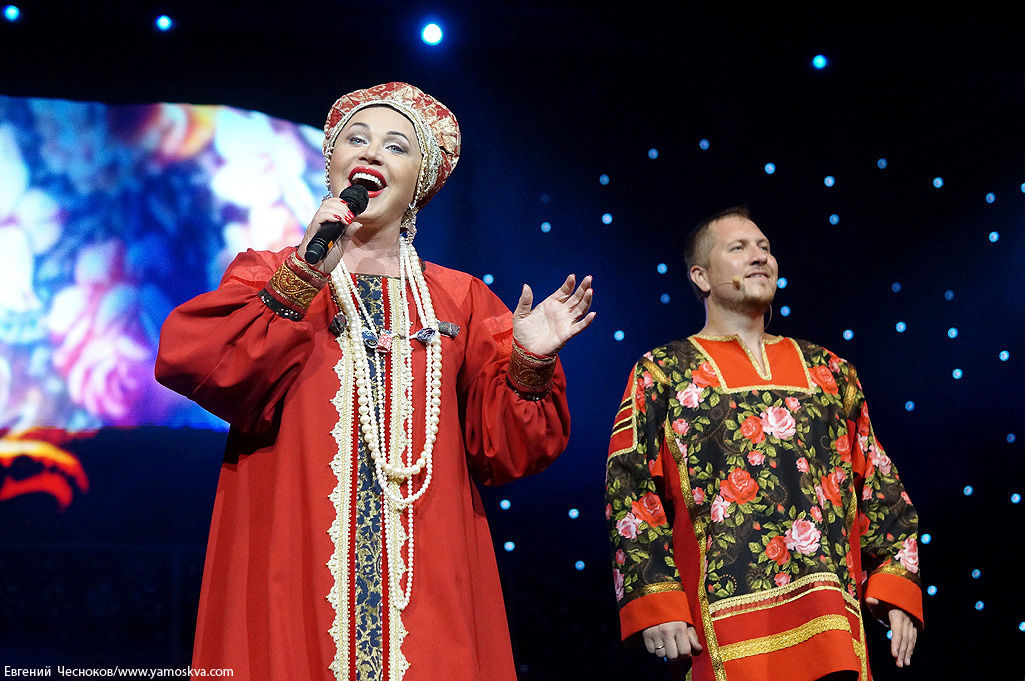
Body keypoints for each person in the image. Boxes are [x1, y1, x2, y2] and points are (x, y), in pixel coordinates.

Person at [156, 82, 595, 681]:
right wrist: (301, 276)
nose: (371, 153)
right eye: (355, 139)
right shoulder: (274, 271)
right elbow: (203, 365)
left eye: (396, 145)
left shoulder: (459, 298)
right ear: (331, 162)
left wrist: (529, 362)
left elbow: (507, 450)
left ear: (421, 183)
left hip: (427, 562)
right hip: (291, 549)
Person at [605, 207, 921, 681]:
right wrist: (655, 597)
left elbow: (879, 482)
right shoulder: (663, 372)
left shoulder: (830, 370)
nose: (760, 258)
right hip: (723, 625)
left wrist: (898, 588)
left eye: (766, 248)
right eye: (739, 248)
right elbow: (628, 488)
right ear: (701, 276)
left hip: (832, 622)